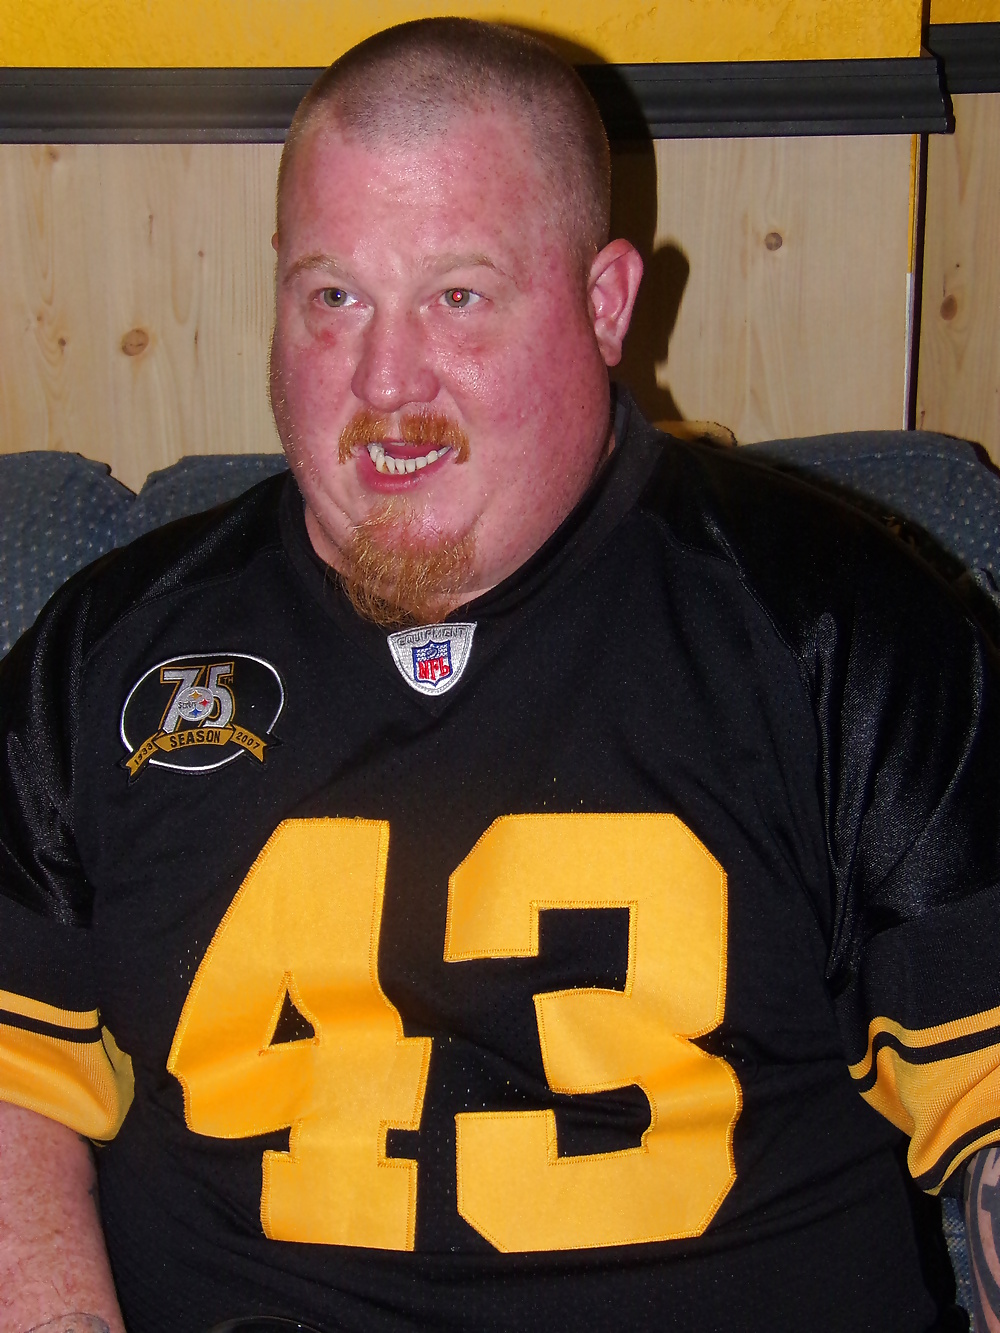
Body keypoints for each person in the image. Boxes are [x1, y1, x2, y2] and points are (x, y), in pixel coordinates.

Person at [1, 17, 999, 1333]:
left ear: (605, 304)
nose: (385, 381)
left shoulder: (841, 629)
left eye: (457, 296)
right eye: (333, 296)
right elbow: (13, 1093)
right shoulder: (109, 656)